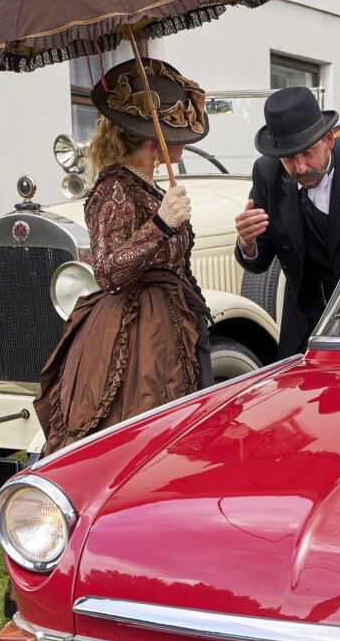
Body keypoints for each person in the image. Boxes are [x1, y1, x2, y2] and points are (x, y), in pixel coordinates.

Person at [35, 58, 212, 453]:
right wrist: (162, 224)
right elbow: (108, 271)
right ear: (154, 142)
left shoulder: (147, 184)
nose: (183, 144)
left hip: (173, 320)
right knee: (143, 431)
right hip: (136, 335)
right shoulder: (115, 189)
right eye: (176, 134)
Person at [235, 86, 340, 356]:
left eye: (308, 153)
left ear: (329, 139)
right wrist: (248, 244)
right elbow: (261, 258)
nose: (300, 167)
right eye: (289, 158)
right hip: (305, 326)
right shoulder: (267, 173)